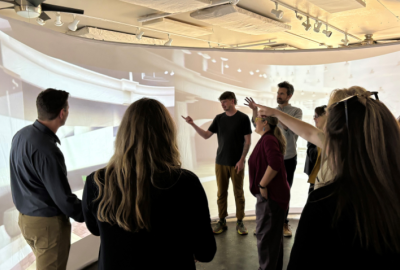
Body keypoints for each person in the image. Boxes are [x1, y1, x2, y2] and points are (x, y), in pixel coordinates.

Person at [254, 87, 400, 269]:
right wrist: (275, 112)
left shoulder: (324, 204)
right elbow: (310, 132)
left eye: (329, 115)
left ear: (339, 133)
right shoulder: (388, 188)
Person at [82, 98, 216, 270]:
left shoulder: (97, 181)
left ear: (123, 133)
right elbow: (206, 252)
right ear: (167, 134)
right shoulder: (185, 183)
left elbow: (96, 229)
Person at [10, 88, 84, 270]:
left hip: (26, 221)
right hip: (47, 227)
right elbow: (63, 199)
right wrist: (87, 213)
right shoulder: (48, 150)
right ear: (62, 113)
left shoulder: (20, 135)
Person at [182, 91, 252, 235]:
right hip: (220, 162)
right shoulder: (219, 118)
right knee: (221, 193)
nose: (222, 104)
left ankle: (240, 221)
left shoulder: (243, 118)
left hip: (236, 163)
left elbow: (248, 141)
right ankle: (222, 221)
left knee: (238, 193)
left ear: (232, 101)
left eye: (224, 101)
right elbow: (207, 135)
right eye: (221, 102)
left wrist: (241, 160)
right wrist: (193, 124)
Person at [246, 81, 302, 237]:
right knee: (266, 190)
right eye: (278, 93)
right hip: (270, 158)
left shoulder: (296, 112)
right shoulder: (272, 112)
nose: (278, 96)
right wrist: (255, 111)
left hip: (288, 158)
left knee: (284, 191)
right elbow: (257, 123)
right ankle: (264, 222)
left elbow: (290, 128)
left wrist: (276, 116)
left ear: (289, 95)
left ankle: (283, 223)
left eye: (282, 93)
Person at [248, 113, 289, 270]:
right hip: (272, 196)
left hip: (271, 197)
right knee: (272, 239)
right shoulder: (267, 138)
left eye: (257, 120)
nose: (254, 122)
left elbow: (275, 162)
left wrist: (263, 185)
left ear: (265, 122)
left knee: (266, 238)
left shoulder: (268, 139)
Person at [304, 105, 327, 194]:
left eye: (317, 116)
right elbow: (312, 155)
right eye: (314, 116)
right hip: (315, 174)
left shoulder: (334, 135)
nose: (314, 119)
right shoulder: (314, 133)